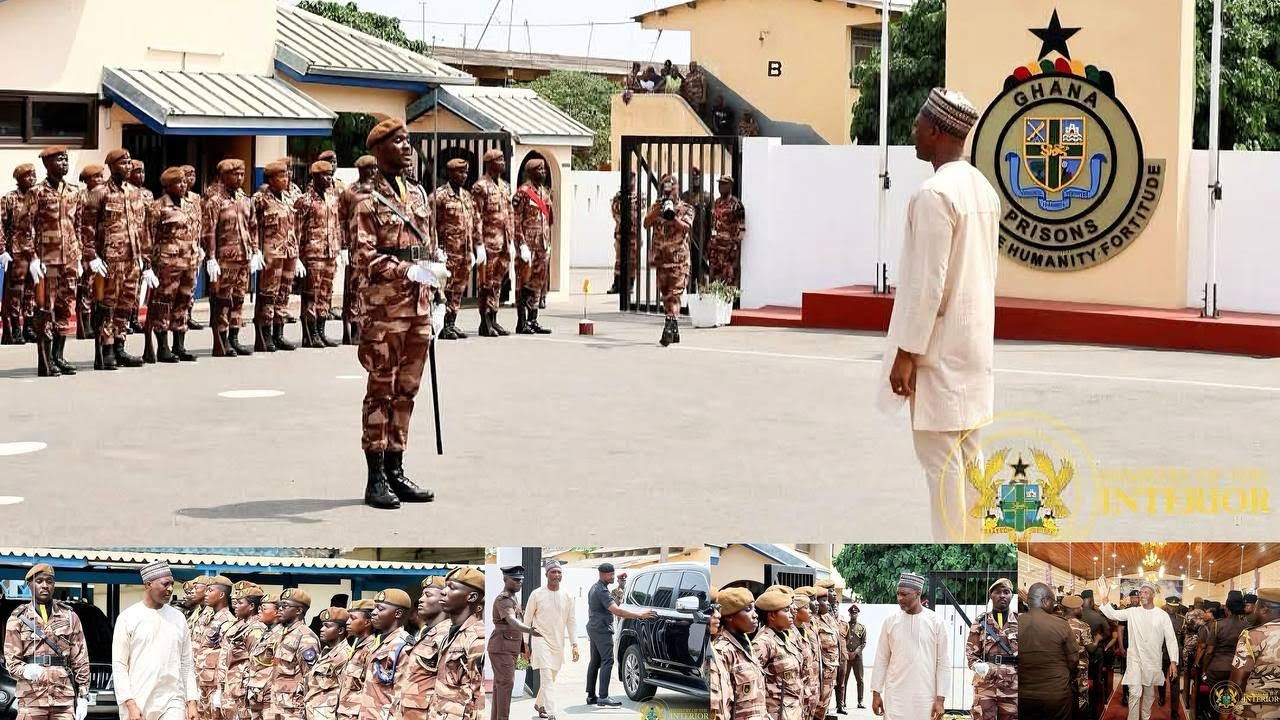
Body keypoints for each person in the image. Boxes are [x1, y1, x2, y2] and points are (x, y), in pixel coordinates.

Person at [879, 87, 999, 542]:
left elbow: (928, 285)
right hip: (973, 352)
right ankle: (978, 547)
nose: (913, 131)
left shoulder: (934, 194)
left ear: (936, 131)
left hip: (939, 357)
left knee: (943, 475)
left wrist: (907, 352)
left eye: (917, 124)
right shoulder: (981, 189)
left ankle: (952, 547)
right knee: (972, 470)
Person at [352, 118, 444, 509]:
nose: (407, 148)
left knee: (407, 391)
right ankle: (375, 478)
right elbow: (363, 255)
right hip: (386, 309)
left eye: (408, 141)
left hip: (419, 306)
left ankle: (396, 468)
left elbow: (430, 245)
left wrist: (437, 276)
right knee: (381, 390)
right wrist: (404, 269)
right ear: (380, 149)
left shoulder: (419, 194)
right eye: (398, 141)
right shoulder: (367, 199)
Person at [82, 148, 153, 370]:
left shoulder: (135, 193)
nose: (128, 166)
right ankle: (107, 349)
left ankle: (120, 346)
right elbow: (87, 227)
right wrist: (91, 255)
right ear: (112, 167)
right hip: (109, 261)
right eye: (123, 163)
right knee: (107, 306)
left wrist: (145, 259)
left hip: (132, 259)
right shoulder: (99, 192)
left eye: (129, 162)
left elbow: (143, 228)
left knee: (125, 306)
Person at [111, 561, 200, 720]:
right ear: (148, 584)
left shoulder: (178, 618)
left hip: (173, 699)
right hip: (139, 699)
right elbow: (119, 666)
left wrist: (191, 701)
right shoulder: (128, 618)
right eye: (165, 584)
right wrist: (130, 704)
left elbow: (187, 663)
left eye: (172, 584)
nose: (171, 589)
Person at [4, 564, 91, 720]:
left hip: (63, 700)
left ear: (54, 584)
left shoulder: (69, 617)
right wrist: (25, 671)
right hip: (31, 699)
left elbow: (80, 658)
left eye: (49, 581)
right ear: (30, 584)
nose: (45, 585)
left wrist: (83, 695)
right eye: (39, 581)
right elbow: (12, 661)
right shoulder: (17, 619)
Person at [27, 147, 83, 376]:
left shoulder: (74, 192)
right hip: (46, 260)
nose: (63, 163)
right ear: (47, 164)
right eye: (58, 159)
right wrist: (32, 257)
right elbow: (26, 226)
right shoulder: (36, 192)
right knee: (45, 310)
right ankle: (45, 359)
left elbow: (77, 225)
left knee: (64, 308)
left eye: (65, 159)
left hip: (69, 259)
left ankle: (59, 356)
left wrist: (78, 255)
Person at [203, 158, 263, 357]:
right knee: (223, 300)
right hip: (224, 260)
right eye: (235, 174)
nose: (239, 178)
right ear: (224, 176)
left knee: (238, 298)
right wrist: (210, 257)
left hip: (243, 257)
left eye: (242, 174)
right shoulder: (214, 200)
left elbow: (253, 227)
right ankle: (221, 338)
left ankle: (234, 337)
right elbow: (208, 231)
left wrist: (255, 251)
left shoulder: (245, 199)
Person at [870, 572, 950, 720]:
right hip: (895, 695)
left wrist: (940, 699)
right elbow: (881, 658)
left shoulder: (936, 622)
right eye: (898, 594)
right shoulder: (890, 621)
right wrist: (876, 693)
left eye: (904, 594)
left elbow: (943, 663)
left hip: (925, 696)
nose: (900, 598)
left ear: (917, 594)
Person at [1097, 580, 1178, 720]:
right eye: (1141, 592)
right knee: (1134, 693)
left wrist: (1173, 661)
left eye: (1146, 592)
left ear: (1153, 595)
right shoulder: (1132, 612)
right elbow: (1113, 614)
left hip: (1153, 661)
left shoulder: (1162, 615)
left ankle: (1145, 717)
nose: (1142, 595)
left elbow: (1171, 639)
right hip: (1134, 659)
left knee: (1149, 694)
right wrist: (1104, 598)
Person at [145, 167, 201, 363]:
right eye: (178, 182)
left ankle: (180, 345)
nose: (183, 185)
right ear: (168, 186)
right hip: (167, 264)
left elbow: (197, 229)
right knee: (163, 304)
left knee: (184, 302)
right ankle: (162, 347)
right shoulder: (157, 207)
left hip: (190, 262)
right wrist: (148, 266)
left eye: (184, 182)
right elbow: (148, 237)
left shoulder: (192, 204)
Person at [586, 563, 658, 707]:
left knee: (595, 662)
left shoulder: (594, 588)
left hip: (594, 628)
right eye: (611, 574)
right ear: (602, 574)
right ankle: (603, 697)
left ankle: (591, 696)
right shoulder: (602, 591)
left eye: (614, 574)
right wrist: (640, 615)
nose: (613, 577)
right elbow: (617, 611)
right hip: (602, 630)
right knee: (608, 660)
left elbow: (590, 609)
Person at [431, 157, 482, 340]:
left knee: (459, 288)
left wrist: (477, 246)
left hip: (465, 252)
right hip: (448, 252)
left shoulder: (467, 196)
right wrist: (436, 248)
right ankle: (442, 324)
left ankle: (452, 322)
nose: (463, 175)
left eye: (465, 172)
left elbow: (474, 222)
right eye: (460, 172)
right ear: (450, 173)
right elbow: (431, 225)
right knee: (446, 289)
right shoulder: (439, 196)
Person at [643, 173, 695, 347]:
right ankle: (675, 331)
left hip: (679, 261)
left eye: (672, 188)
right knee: (666, 297)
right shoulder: (656, 206)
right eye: (666, 188)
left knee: (675, 296)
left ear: (677, 189)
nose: (669, 192)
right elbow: (646, 223)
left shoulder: (686, 207)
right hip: (661, 260)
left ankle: (667, 330)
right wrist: (658, 211)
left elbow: (687, 227)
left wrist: (674, 218)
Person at [428, 568, 487, 720]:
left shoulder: (477, 638)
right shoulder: (446, 631)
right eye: (445, 586)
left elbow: (480, 696)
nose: (443, 591)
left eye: (452, 587)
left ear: (472, 597)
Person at [295, 161, 341, 348]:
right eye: (324, 175)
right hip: (312, 253)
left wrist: (340, 247)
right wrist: (297, 257)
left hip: (330, 252)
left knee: (325, 294)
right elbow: (296, 229)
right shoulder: (305, 201)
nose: (329, 178)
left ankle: (321, 331)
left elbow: (337, 224)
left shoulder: (332, 197)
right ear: (314, 177)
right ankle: (310, 334)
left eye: (330, 174)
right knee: (311, 294)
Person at [526, 562, 577, 720]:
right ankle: (552, 712)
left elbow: (571, 621)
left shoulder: (568, 595)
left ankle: (539, 704)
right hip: (540, 639)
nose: (556, 575)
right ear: (546, 574)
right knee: (546, 676)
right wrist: (524, 644)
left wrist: (574, 644)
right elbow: (526, 621)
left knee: (552, 676)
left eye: (559, 572)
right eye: (553, 572)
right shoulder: (536, 594)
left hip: (558, 643)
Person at [470, 149, 514, 337]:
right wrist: (478, 244)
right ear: (489, 163)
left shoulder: (504, 187)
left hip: (503, 242)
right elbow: (476, 217)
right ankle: (484, 321)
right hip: (488, 243)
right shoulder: (481, 187)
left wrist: (512, 240)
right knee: (486, 283)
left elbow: (509, 214)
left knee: (498, 282)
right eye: (500, 160)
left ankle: (494, 318)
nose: (503, 163)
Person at [488, 566, 541, 720]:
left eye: (521, 580)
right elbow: (512, 621)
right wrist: (531, 631)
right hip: (502, 647)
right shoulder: (504, 599)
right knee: (505, 686)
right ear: (505, 579)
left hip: (507, 647)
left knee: (500, 686)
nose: (520, 583)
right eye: (516, 580)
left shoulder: (512, 597)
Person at [1018, 583, 1077, 720]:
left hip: (1023, 695)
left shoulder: (1016, 622)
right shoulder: (1060, 624)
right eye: (1053, 602)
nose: (1054, 606)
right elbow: (1074, 660)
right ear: (1045, 601)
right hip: (1056, 694)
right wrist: (1070, 676)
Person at [393, 577, 449, 720]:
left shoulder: (448, 637)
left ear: (444, 598)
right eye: (422, 594)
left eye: (428, 595)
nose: (421, 600)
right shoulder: (426, 635)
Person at [708, 587, 765, 720]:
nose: (755, 615)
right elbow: (719, 709)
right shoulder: (723, 651)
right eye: (747, 609)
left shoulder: (746, 646)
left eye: (754, 609)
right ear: (729, 617)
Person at [338, 155, 377, 345]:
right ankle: (354, 326)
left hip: (375, 247)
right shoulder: (349, 192)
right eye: (370, 168)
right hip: (355, 247)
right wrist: (343, 247)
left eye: (375, 168)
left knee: (373, 287)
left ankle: (370, 325)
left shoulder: (379, 191)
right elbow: (342, 220)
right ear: (362, 170)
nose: (374, 171)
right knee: (354, 289)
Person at [965, 578, 1017, 720]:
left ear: (1011, 596)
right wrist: (978, 666)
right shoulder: (981, 622)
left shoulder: (1020, 621)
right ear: (991, 596)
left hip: (1012, 686)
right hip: (986, 685)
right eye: (998, 592)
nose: (1002, 595)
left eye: (1006, 592)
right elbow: (971, 653)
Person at [215, 581, 268, 720]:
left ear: (251, 606)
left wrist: (248, 692)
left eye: (240, 603)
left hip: (242, 694)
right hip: (232, 689)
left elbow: (257, 664)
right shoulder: (242, 625)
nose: (235, 605)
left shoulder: (256, 629)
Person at [512, 159, 553, 335]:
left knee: (538, 283)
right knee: (524, 283)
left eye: (544, 169)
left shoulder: (544, 192)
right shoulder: (522, 193)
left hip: (542, 246)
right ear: (530, 172)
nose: (543, 172)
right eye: (539, 169)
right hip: (528, 246)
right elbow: (515, 221)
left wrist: (548, 242)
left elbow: (549, 220)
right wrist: (521, 244)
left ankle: (533, 319)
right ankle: (521, 321)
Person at [360, 589, 414, 720]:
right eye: (374, 608)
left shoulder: (404, 646)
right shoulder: (379, 644)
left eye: (380, 608)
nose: (373, 612)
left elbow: (403, 697)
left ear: (398, 613)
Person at [1227, 587, 1280, 719]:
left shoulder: (1252, 636)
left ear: (1264, 609)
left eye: (1256, 606)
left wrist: (1225, 707)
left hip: (1256, 711)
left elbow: (1237, 681)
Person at [268, 589, 319, 720]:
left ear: (299, 611)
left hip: (294, 709)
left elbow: (310, 678)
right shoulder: (284, 634)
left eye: (284, 606)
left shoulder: (306, 637)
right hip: (278, 704)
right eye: (279, 606)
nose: (279, 609)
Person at [1, 163, 39, 345]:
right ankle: (15, 330)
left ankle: (29, 327)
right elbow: (0, 225)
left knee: (31, 291)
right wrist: (2, 250)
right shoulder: (9, 199)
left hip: (35, 253)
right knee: (16, 292)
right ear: (18, 179)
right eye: (27, 176)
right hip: (16, 252)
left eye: (34, 175)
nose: (32, 179)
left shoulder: (39, 198)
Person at [753, 589, 803, 720]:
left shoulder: (786, 638)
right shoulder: (763, 643)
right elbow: (753, 683)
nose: (791, 614)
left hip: (794, 711)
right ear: (772, 616)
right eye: (786, 610)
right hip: (776, 713)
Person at [193, 576, 234, 719]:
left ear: (222, 595)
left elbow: (225, 658)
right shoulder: (210, 618)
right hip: (203, 682)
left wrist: (221, 691)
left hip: (214, 686)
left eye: (210, 590)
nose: (206, 593)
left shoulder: (227, 621)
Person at [304, 607, 351, 720]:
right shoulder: (325, 653)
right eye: (322, 625)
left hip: (328, 715)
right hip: (314, 712)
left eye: (327, 626)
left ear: (340, 630)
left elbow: (347, 693)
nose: (321, 629)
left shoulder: (345, 655)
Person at [336, 600, 376, 720]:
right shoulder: (356, 646)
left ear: (367, 622)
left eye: (352, 618)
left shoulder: (371, 649)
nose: (347, 622)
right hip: (345, 713)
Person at [1060, 595, 1097, 720]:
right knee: (1081, 697)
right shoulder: (1083, 626)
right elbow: (1091, 648)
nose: (1082, 609)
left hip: (1061, 668)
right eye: (1080, 607)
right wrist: (1097, 640)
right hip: (1079, 668)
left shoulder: (1057, 624)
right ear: (1074, 609)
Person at [708, 175, 746, 287]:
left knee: (728, 283)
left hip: (728, 253)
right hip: (715, 251)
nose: (721, 186)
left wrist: (734, 246)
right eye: (720, 184)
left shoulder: (736, 204)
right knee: (714, 283)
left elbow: (741, 228)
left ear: (730, 186)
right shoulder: (716, 203)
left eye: (724, 184)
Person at [609, 171, 640, 295]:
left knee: (632, 260)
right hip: (621, 232)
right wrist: (622, 220)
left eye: (632, 179)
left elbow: (641, 213)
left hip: (634, 234)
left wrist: (631, 221)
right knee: (619, 259)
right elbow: (614, 211)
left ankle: (630, 284)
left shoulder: (639, 197)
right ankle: (617, 284)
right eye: (628, 179)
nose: (630, 182)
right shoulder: (619, 197)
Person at [845, 605, 867, 710]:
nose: (854, 614)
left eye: (855, 613)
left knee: (860, 680)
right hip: (847, 657)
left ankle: (860, 701)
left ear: (857, 614)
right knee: (844, 680)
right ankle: (842, 702)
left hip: (857, 657)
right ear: (849, 614)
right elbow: (842, 640)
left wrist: (855, 652)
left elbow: (864, 643)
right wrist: (847, 652)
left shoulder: (862, 627)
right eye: (852, 613)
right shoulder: (845, 626)